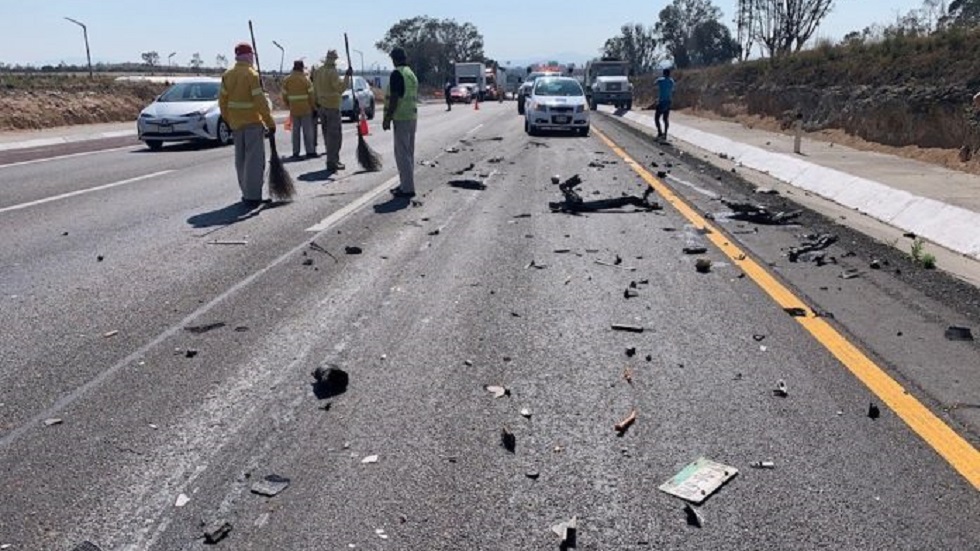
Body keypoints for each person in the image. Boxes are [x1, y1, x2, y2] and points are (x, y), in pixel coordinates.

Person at [219, 42, 275, 207]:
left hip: (236, 124)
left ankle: (246, 192)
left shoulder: (228, 75)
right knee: (254, 161)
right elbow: (260, 102)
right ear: (250, 56)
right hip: (252, 123)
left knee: (241, 160)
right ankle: (253, 196)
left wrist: (228, 120)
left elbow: (222, 101)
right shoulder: (251, 75)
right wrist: (269, 122)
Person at [382, 47, 418, 198]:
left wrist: (387, 118)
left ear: (394, 59)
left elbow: (395, 98)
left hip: (401, 117)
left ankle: (407, 188)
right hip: (412, 116)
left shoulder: (397, 74)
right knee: (408, 153)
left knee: (402, 155)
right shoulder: (411, 74)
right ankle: (405, 183)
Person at [313, 50, 353, 172]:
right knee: (335, 137)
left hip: (321, 106)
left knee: (327, 135)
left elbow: (314, 88)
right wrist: (347, 76)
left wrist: (316, 103)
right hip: (332, 107)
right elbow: (340, 89)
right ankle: (332, 161)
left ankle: (332, 159)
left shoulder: (319, 71)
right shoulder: (332, 72)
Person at [281, 59, 316, 159]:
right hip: (306, 109)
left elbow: (284, 95)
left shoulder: (287, 80)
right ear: (302, 67)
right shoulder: (306, 80)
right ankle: (310, 151)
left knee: (295, 132)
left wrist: (288, 105)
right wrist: (314, 107)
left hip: (294, 109)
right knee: (307, 132)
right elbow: (311, 96)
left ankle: (295, 152)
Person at [654, 68, 675, 140]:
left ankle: (660, 132)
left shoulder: (660, 80)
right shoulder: (671, 81)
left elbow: (654, 83)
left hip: (661, 101)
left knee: (657, 118)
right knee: (665, 119)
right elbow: (673, 88)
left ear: (663, 73)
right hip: (668, 101)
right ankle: (665, 134)